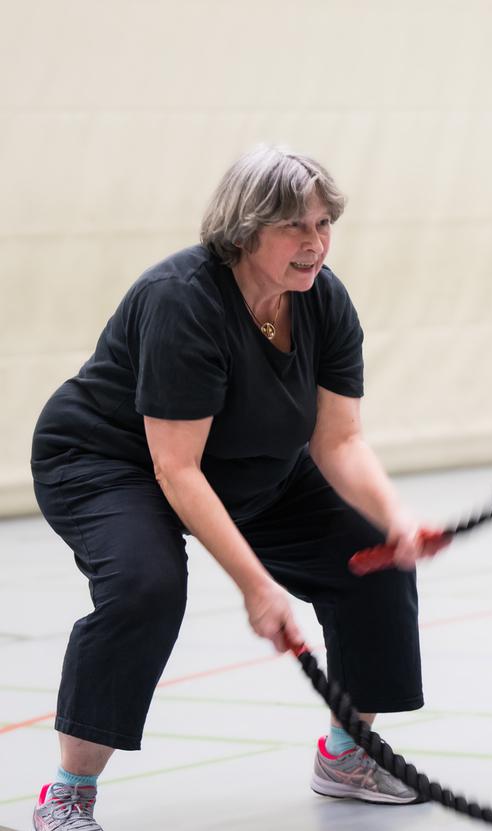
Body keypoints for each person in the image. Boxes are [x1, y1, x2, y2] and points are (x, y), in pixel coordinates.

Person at [29, 146, 447, 830]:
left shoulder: (322, 299)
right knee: (146, 587)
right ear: (246, 229)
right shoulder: (182, 301)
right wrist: (257, 587)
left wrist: (396, 516)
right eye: (294, 227)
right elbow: (176, 468)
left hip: (245, 460)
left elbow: (338, 438)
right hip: (110, 460)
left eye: (323, 224)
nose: (314, 243)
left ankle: (346, 753)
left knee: (370, 554)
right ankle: (68, 793)